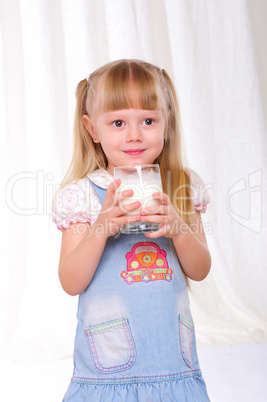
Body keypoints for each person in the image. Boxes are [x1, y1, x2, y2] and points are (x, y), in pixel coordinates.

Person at [52, 59, 211, 401]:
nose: (135, 134)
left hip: (172, 365)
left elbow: (200, 270)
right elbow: (70, 281)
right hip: (110, 370)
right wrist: (101, 228)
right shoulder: (82, 196)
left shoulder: (181, 187)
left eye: (148, 120)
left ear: (166, 123)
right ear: (92, 129)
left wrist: (179, 230)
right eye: (119, 122)